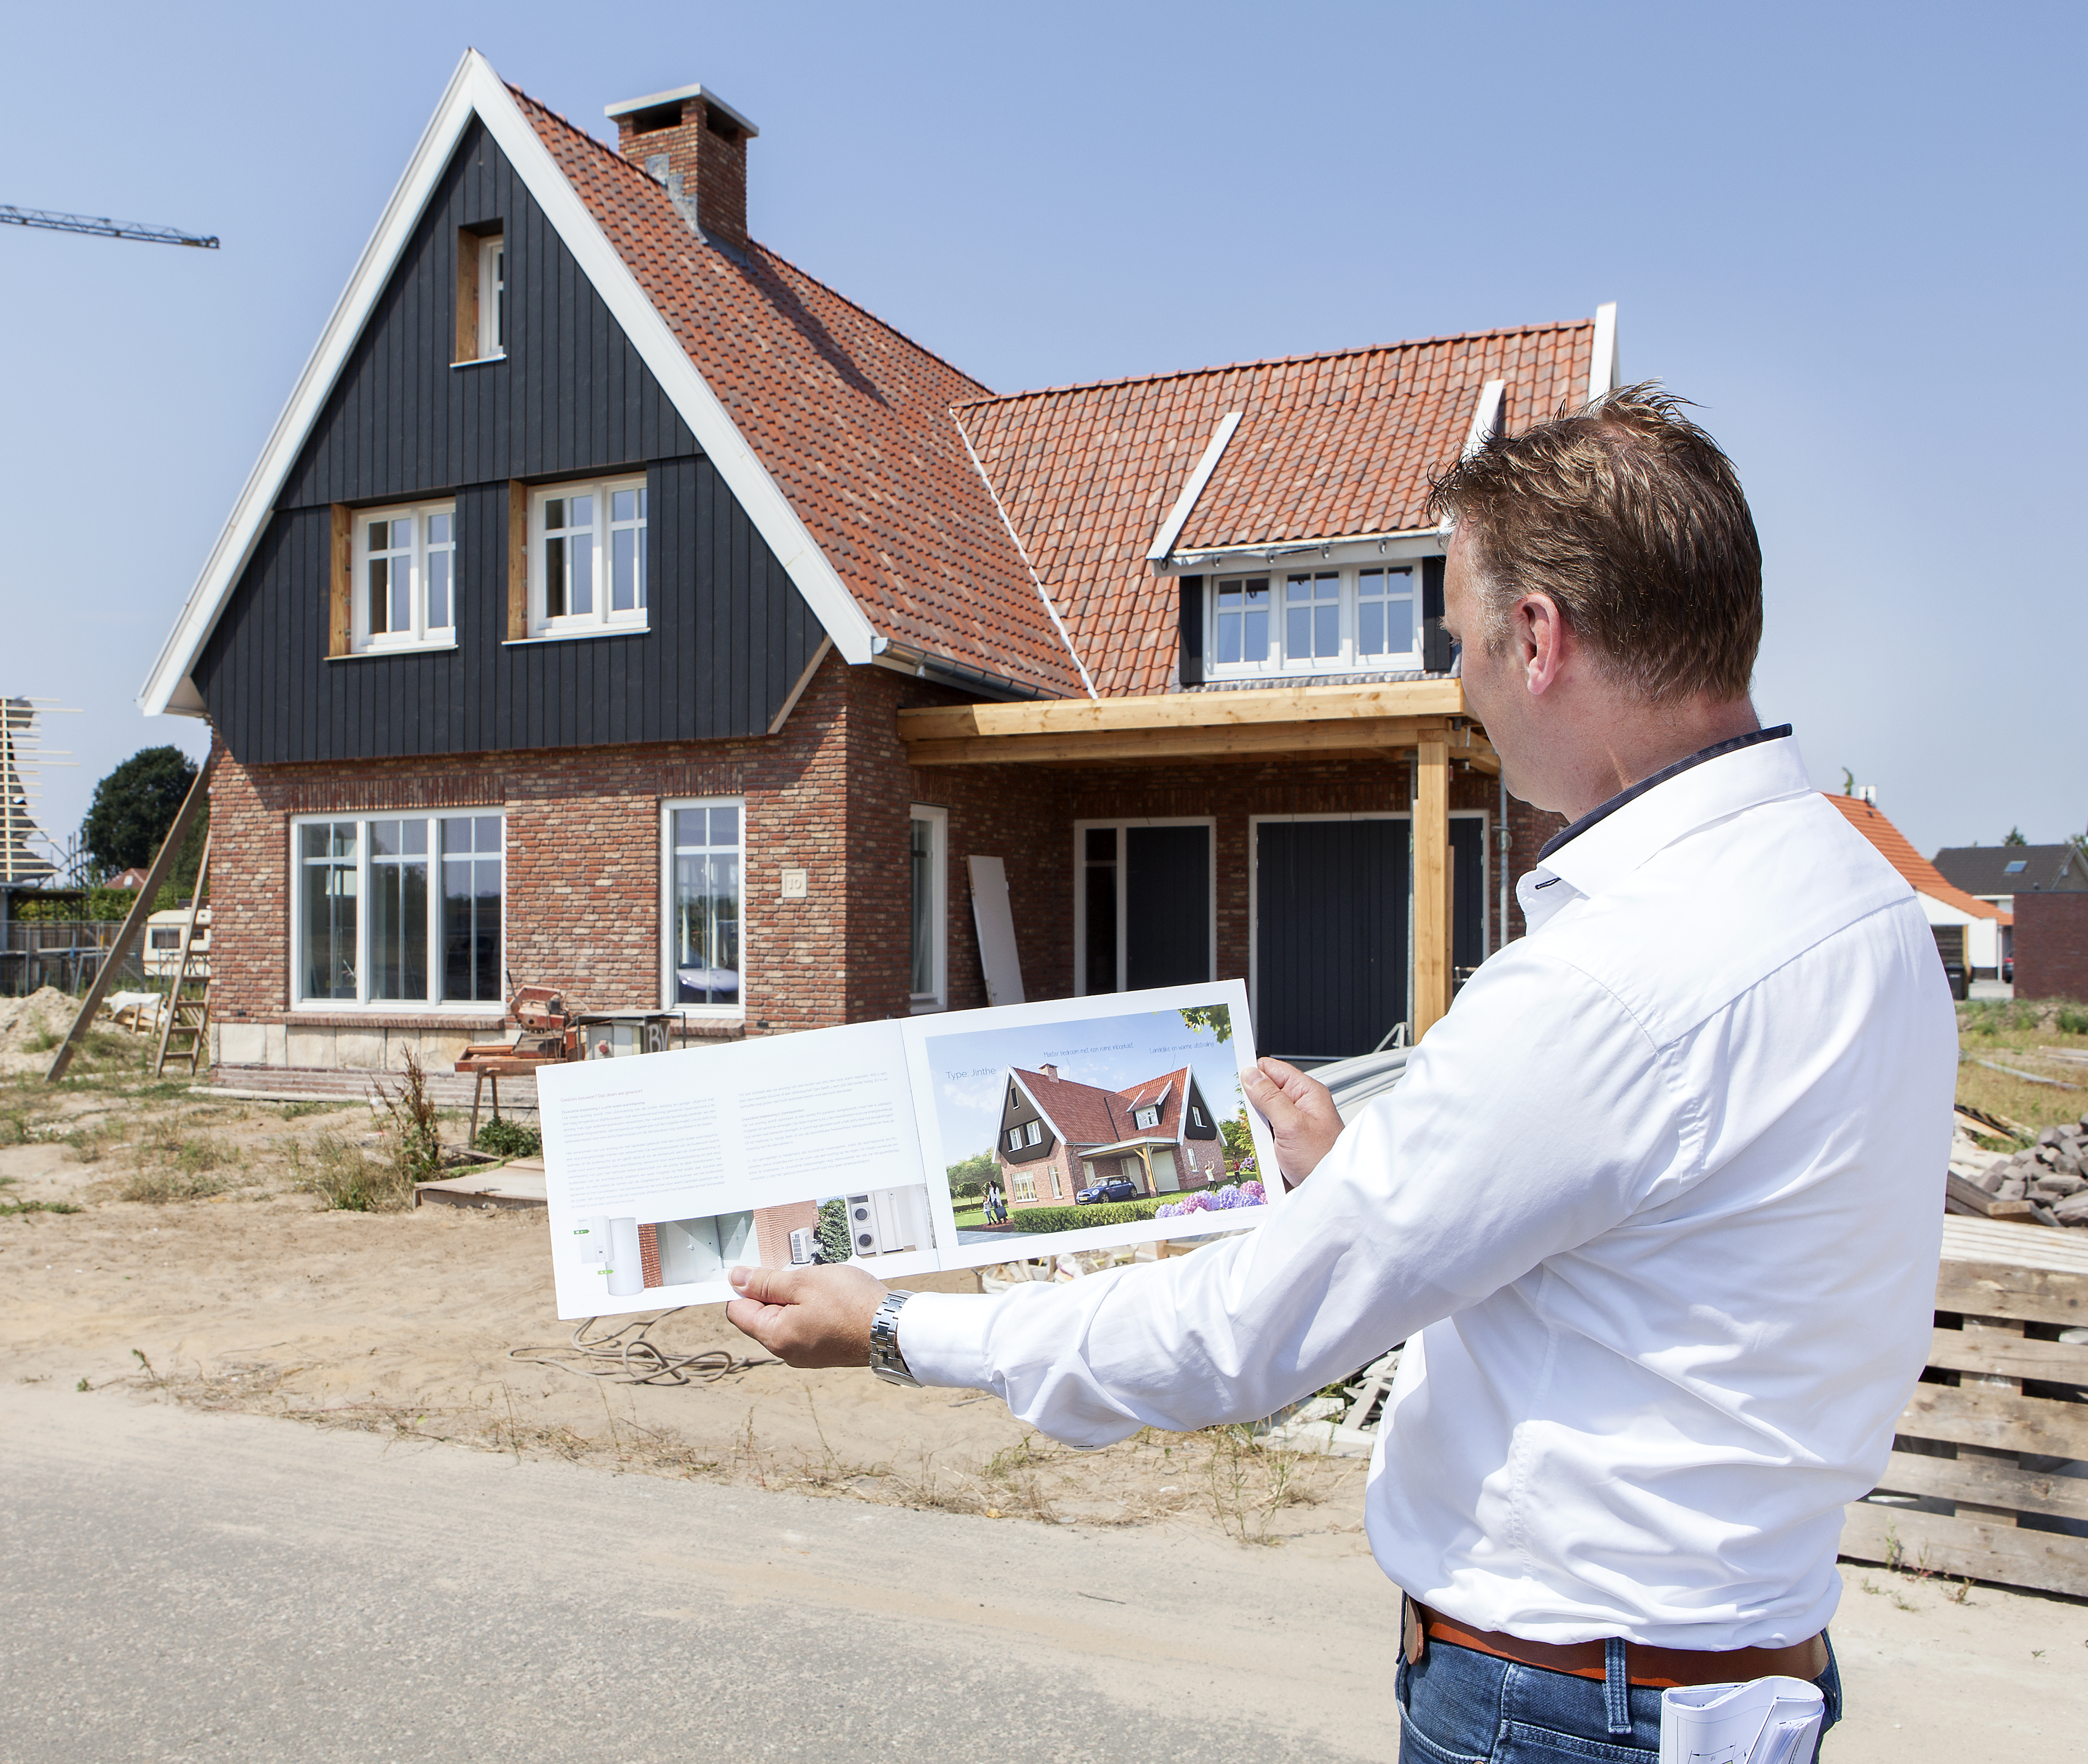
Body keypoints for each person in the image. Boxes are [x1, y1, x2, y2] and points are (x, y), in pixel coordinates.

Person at [727, 386, 1953, 1763]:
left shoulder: (1609, 980)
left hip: (1563, 1701)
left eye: (1460, 643)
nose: (1461, 688)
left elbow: (1241, 1333)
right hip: (1738, 1674)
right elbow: (1670, 1247)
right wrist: (1364, 1176)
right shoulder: (1861, 905)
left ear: (1537, 639)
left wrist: (897, 1326)